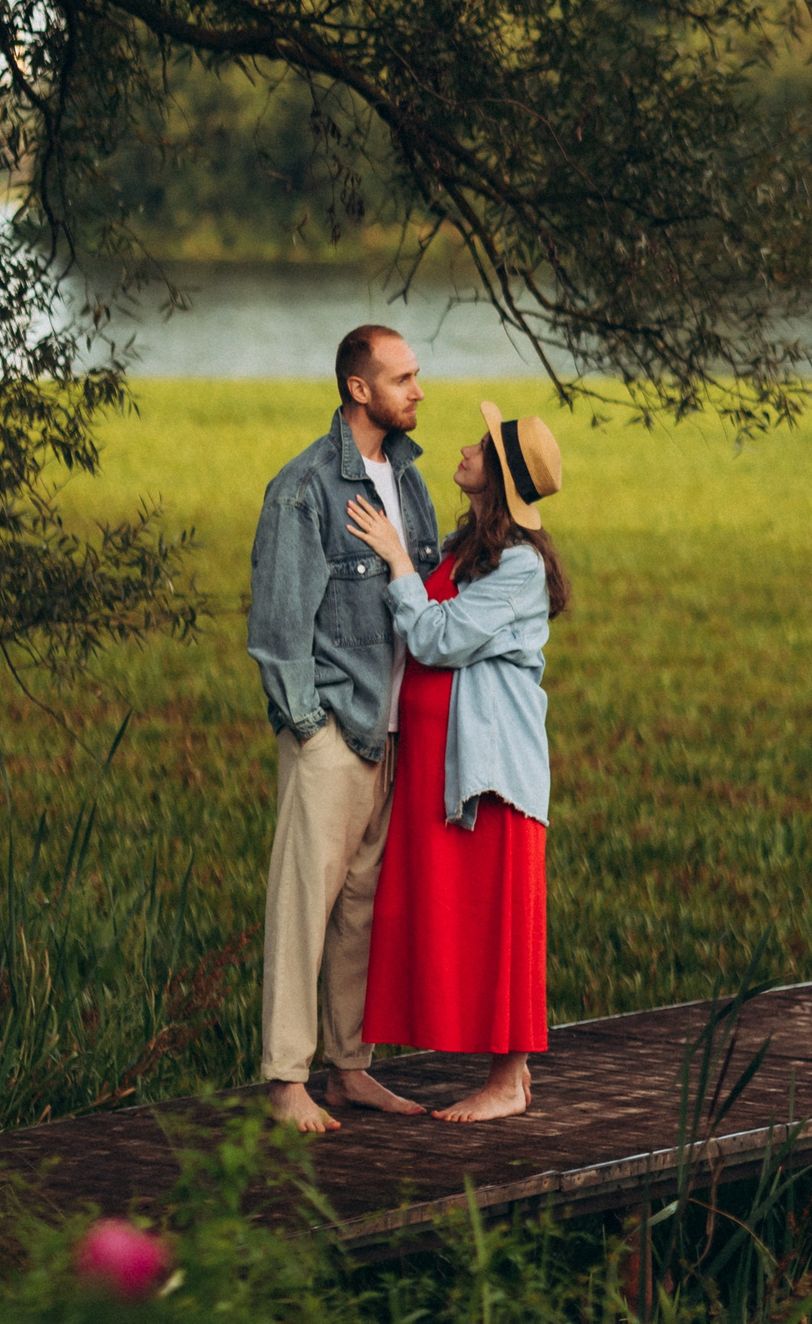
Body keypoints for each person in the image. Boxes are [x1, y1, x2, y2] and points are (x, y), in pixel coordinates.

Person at [345, 400, 567, 1123]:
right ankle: (492, 1072)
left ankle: (510, 1079)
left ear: (495, 478)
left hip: (489, 769)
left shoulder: (521, 568)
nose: (466, 449)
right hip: (438, 768)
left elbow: (438, 636)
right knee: (450, 916)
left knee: (501, 916)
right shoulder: (466, 546)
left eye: (480, 447)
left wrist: (398, 560)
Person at [246, 325, 443, 1132]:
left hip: (392, 729)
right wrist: (307, 725)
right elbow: (279, 625)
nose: (418, 390)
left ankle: (349, 1068)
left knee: (360, 904)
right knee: (304, 902)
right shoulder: (305, 487)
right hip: (334, 726)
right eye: (402, 379)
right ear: (360, 389)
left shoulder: (408, 480)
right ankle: (287, 1078)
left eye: (416, 376)